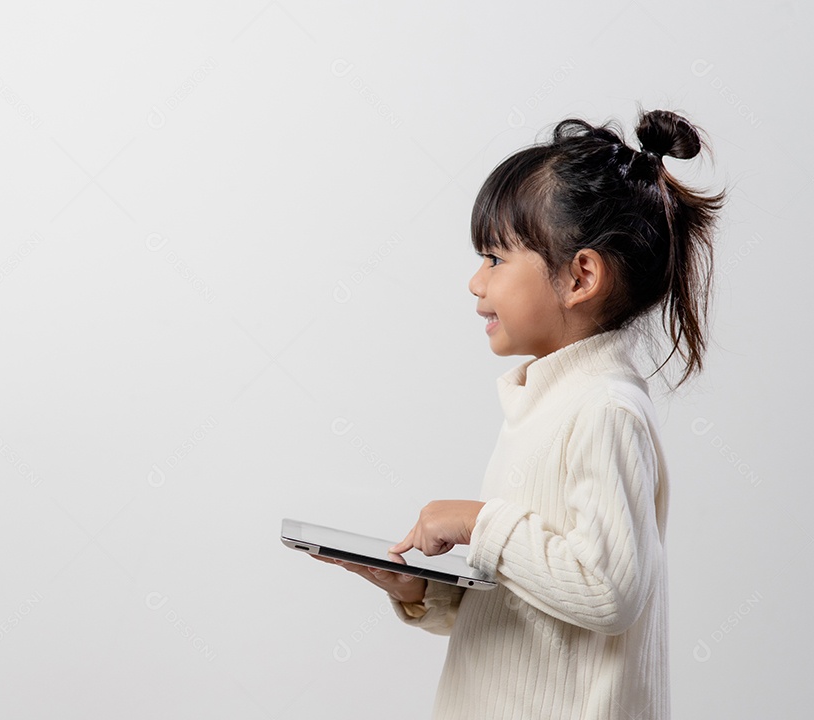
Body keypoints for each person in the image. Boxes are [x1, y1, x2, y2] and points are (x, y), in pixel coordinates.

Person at [308, 108, 727, 719]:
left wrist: (483, 523)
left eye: (495, 259)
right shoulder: (548, 401)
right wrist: (427, 593)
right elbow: (542, 601)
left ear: (580, 275)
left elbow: (609, 591)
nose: (475, 283)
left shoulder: (605, 408)